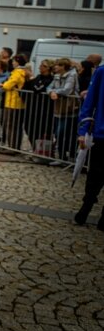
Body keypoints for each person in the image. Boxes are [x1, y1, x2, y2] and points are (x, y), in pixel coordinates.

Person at [73, 66, 104, 230]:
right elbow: (89, 101)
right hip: (101, 134)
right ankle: (85, 208)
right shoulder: (102, 71)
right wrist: (83, 130)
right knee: (95, 175)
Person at [47, 57, 80, 165]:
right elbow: (49, 87)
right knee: (57, 133)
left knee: (62, 133)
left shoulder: (72, 75)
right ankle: (61, 157)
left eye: (58, 65)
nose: (55, 66)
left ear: (63, 67)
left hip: (69, 109)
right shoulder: (56, 76)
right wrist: (51, 92)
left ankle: (67, 157)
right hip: (58, 108)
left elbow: (67, 89)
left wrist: (55, 92)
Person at [23, 59, 55, 158]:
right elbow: (27, 87)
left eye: (42, 65)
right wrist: (29, 79)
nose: (39, 67)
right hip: (32, 108)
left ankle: (43, 152)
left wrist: (32, 80)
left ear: (48, 68)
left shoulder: (51, 80)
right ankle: (35, 149)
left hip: (44, 110)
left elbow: (38, 88)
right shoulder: (38, 77)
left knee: (42, 131)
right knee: (28, 128)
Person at [0, 54, 28, 152]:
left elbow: (8, 85)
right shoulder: (24, 71)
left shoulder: (18, 72)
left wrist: (3, 84)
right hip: (17, 102)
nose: (12, 63)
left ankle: (12, 147)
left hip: (13, 102)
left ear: (17, 62)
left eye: (14, 61)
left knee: (11, 125)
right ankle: (14, 146)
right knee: (16, 126)